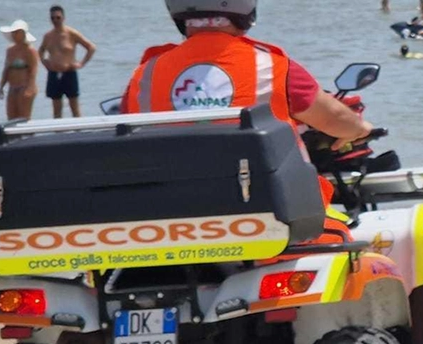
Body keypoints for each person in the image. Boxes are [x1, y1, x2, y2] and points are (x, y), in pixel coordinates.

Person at [122, 0, 371, 212]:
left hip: (171, 217)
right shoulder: (273, 66)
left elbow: (125, 136)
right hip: (266, 216)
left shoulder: (145, 74)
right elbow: (335, 119)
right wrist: (358, 129)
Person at [40, 6, 95, 118]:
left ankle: (79, 133)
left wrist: (81, 63)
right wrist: (44, 62)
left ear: (63, 18)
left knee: (74, 108)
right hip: (54, 74)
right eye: (52, 18)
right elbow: (40, 50)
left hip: (69, 73)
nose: (55, 20)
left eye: (58, 18)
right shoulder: (48, 36)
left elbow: (91, 47)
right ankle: (58, 133)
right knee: (56, 110)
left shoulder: (71, 33)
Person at [0, 21, 39, 121]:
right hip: (12, 87)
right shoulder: (10, 50)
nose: (14, 35)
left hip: (24, 87)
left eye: (16, 32)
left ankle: (28, 136)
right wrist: (1, 86)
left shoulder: (30, 51)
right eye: (13, 32)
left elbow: (34, 69)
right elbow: (6, 69)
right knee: (11, 117)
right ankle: (14, 137)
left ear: (23, 33)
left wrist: (30, 87)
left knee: (24, 117)